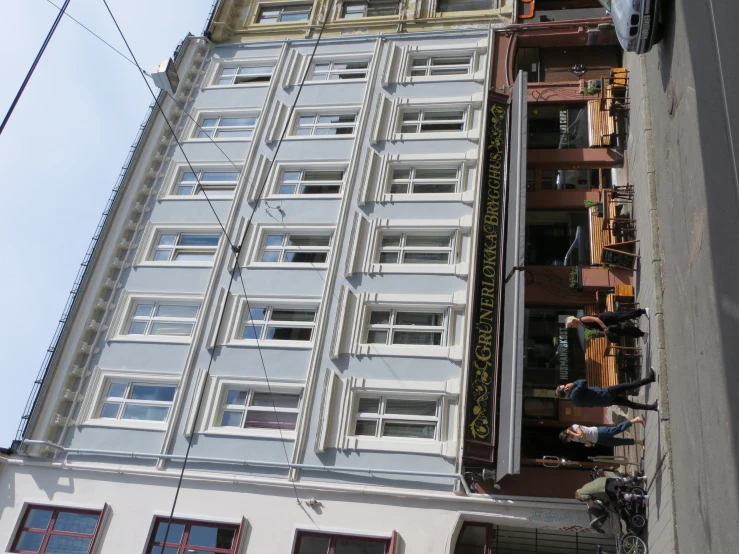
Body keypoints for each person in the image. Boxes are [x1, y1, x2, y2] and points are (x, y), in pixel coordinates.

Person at [555, 368, 658, 411]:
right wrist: (573, 384)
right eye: (564, 387)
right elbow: (583, 381)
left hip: (606, 400)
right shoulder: (575, 393)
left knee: (630, 404)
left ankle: (653, 407)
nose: (566, 385)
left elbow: (589, 405)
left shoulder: (574, 401)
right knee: (628, 386)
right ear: (565, 391)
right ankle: (650, 379)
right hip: (605, 393)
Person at [559, 416, 645, 447]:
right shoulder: (574, 439)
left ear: (567, 434)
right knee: (618, 442)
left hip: (599, 432)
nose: (569, 441)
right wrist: (588, 444)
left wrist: (572, 433)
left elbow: (580, 435)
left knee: (618, 429)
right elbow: (584, 439)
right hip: (598, 440)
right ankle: (639, 442)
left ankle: (636, 419)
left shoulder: (574, 427)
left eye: (568, 440)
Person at [566, 309, 647, 339]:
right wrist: (603, 331)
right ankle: (640, 334)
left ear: (572, 321)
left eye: (571, 325)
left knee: (624, 316)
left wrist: (604, 327)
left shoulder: (583, 319)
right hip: (607, 324)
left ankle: (642, 311)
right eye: (571, 327)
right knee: (623, 329)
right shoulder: (582, 325)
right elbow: (596, 327)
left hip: (607, 318)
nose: (572, 327)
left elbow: (596, 319)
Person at [576, 476, 648, 508]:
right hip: (605, 481)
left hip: (604, 490)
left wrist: (591, 505)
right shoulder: (584, 487)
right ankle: (642, 478)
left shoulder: (580, 495)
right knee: (623, 481)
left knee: (622, 496)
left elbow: (588, 497)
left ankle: (644, 498)